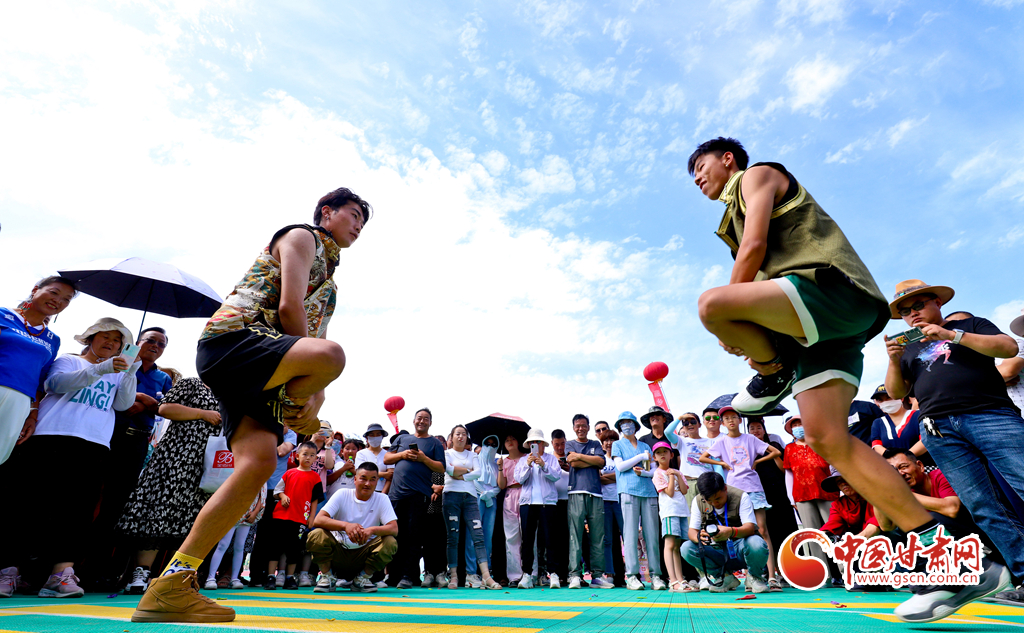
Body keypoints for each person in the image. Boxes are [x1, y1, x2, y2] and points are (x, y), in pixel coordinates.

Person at [688, 138, 1001, 622]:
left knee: (712, 304)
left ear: (727, 159)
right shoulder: (730, 214)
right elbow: (760, 274)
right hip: (821, 334)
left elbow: (754, 248)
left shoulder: (756, 175)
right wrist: (748, 332)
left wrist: (738, 319)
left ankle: (773, 372)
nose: (696, 177)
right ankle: (953, 564)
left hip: (832, 292)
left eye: (700, 165)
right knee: (827, 438)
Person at [132, 187, 371, 623]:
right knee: (333, 355)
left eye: (363, 221)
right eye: (353, 214)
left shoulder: (331, 285)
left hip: (266, 369)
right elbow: (290, 308)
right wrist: (303, 394)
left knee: (258, 464)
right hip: (235, 341)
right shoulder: (301, 236)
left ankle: (171, 584)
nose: (358, 225)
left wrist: (315, 399)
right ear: (327, 212)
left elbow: (313, 339)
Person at [884, 279, 1020, 612]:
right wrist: (892, 360)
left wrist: (950, 335)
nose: (913, 314)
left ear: (937, 303)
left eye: (918, 305)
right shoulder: (908, 348)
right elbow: (896, 392)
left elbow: (1008, 348)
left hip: (989, 414)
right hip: (938, 429)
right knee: (982, 506)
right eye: (905, 311)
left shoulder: (969, 325)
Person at [0, 318, 138, 599]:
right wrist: (100, 369)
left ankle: (60, 574)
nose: (111, 343)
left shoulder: (117, 372)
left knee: (78, 512)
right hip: (51, 437)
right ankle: (9, 571)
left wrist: (129, 374)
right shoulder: (69, 360)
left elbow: (123, 404)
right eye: (106, 336)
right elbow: (55, 383)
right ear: (90, 338)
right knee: (29, 505)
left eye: (117, 340)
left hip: (94, 444)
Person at [117, 378, 224, 595]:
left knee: (191, 521)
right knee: (158, 514)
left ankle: (178, 575)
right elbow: (165, 408)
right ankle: (141, 573)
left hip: (206, 467)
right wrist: (202, 413)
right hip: (174, 458)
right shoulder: (191, 384)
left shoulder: (231, 395)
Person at [87, 326, 174, 591]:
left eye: (161, 344)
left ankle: (103, 572)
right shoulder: (118, 363)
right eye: (151, 340)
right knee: (90, 498)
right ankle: (75, 567)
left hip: (137, 443)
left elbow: (167, 408)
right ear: (138, 342)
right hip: (107, 435)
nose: (156, 346)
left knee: (117, 506)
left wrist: (147, 403)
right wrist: (136, 395)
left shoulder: (163, 378)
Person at [700, 405, 781, 584]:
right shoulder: (721, 441)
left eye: (733, 417)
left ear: (739, 420)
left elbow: (776, 452)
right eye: (726, 418)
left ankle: (772, 576)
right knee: (740, 531)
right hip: (734, 491)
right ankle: (750, 575)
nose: (730, 420)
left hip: (754, 487)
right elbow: (703, 457)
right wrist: (722, 463)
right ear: (722, 423)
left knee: (762, 530)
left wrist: (757, 461)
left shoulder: (750, 438)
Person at [0, 275, 77, 465]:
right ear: (35, 290)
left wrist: (33, 414)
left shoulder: (53, 339)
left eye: (66, 299)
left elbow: (40, 380)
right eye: (54, 292)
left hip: (20, 401)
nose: (58, 300)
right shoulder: (3, 314)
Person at [308, 463, 398, 593]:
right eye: (363, 478)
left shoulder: (382, 498)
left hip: (363, 557)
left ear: (377, 481)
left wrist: (371, 530)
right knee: (317, 534)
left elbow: (394, 529)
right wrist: (346, 526)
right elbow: (318, 520)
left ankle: (363, 578)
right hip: (337, 555)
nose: (367, 483)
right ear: (355, 479)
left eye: (372, 479)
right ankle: (327, 577)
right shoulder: (342, 494)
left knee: (390, 541)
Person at [384, 407, 446, 589]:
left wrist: (424, 459)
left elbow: (441, 468)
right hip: (396, 495)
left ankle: (409, 576)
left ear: (430, 423)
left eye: (426, 418)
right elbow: (387, 458)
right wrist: (402, 454)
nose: (422, 421)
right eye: (419, 417)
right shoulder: (402, 439)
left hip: (419, 496)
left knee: (414, 537)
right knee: (396, 535)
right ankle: (393, 576)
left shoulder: (434, 443)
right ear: (413, 420)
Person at [682, 472, 769, 593]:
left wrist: (731, 531)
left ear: (725, 489)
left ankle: (754, 577)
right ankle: (724, 577)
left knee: (756, 542)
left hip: (741, 549)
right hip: (716, 550)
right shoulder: (698, 501)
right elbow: (692, 531)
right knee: (686, 548)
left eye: (718, 498)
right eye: (709, 501)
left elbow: (750, 528)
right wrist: (699, 537)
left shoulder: (741, 496)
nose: (715, 503)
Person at [778, 414, 837, 587]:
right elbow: (789, 474)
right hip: (802, 495)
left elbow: (833, 466)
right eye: (794, 425)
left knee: (835, 531)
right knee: (812, 535)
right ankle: (823, 576)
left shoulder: (821, 443)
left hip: (827, 493)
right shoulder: (789, 449)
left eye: (801, 423)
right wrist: (791, 498)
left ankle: (845, 571)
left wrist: (839, 489)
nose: (798, 427)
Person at [611, 411, 665, 591]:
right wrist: (639, 458)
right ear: (620, 427)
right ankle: (632, 575)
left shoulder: (645, 446)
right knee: (630, 534)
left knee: (652, 535)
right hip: (628, 490)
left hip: (648, 491)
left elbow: (654, 470)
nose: (626, 426)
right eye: (623, 423)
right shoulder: (617, 445)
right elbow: (620, 466)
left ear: (635, 425)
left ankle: (656, 575)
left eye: (629, 422)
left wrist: (645, 473)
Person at [442, 425, 501, 589]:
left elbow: (478, 473)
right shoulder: (446, 454)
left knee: (478, 535)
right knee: (453, 536)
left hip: (470, 497)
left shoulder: (472, 455)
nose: (460, 437)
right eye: (457, 434)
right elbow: (449, 469)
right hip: (451, 496)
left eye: (463, 434)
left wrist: (461, 474)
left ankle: (486, 576)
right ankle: (454, 576)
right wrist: (467, 471)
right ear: (452, 437)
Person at [264, 442, 324, 590]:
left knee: (294, 549)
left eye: (312, 455)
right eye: (305, 454)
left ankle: (289, 577)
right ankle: (271, 576)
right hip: (280, 516)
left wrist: (312, 517)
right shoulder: (289, 473)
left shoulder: (315, 477)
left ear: (316, 458)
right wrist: (283, 496)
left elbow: (315, 499)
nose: (308, 458)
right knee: (275, 547)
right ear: (297, 456)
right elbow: (277, 491)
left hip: (300, 519)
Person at [747, 416, 796, 591]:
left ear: (764, 429)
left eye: (758, 427)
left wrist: (772, 453)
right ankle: (773, 573)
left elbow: (784, 469)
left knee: (787, 532)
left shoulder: (773, 444)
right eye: (752, 428)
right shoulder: (747, 448)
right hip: (761, 497)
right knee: (769, 534)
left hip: (780, 495)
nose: (756, 431)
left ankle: (790, 571)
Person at [564, 414, 612, 589]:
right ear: (573, 427)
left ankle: (598, 576)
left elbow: (601, 462)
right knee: (575, 536)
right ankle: (574, 575)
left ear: (588, 427)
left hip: (596, 494)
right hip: (576, 492)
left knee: (598, 537)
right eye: (577, 426)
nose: (581, 429)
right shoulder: (570, 444)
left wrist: (580, 457)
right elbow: (573, 463)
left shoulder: (595, 444)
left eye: (584, 425)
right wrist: (590, 461)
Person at [514, 428, 560, 589]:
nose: (535, 444)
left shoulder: (551, 459)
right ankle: (527, 574)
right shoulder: (523, 460)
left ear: (543, 444)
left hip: (548, 503)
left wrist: (543, 465)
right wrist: (528, 465)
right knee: (527, 540)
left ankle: (553, 573)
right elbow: (519, 479)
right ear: (528, 444)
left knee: (550, 539)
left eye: (538, 441)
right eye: (532, 442)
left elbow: (556, 476)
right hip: (528, 503)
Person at [205, 485, 266, 590]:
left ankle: (234, 578)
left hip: (248, 514)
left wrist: (255, 512)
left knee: (240, 546)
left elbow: (262, 494)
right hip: (231, 512)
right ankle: (210, 578)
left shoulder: (261, 476)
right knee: (222, 545)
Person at [651, 442, 691, 592]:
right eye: (658, 452)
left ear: (671, 455)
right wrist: (672, 476)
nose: (662, 454)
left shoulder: (677, 472)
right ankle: (673, 581)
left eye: (665, 451)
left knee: (677, 546)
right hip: (669, 512)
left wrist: (677, 474)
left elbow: (684, 491)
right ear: (654, 457)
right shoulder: (657, 474)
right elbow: (670, 492)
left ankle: (681, 579)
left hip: (681, 511)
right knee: (669, 545)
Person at [868, 385, 927, 462]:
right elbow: (876, 445)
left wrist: (904, 458)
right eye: (880, 400)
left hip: (923, 465)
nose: (885, 402)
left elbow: (926, 440)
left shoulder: (919, 415)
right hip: (893, 467)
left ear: (901, 398)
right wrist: (894, 460)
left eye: (888, 397)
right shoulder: (878, 423)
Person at [471, 435, 501, 582]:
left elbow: (499, 485)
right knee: (474, 534)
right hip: (476, 497)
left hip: (491, 501)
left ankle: (486, 571)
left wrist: (490, 494)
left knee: (488, 535)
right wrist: (483, 493)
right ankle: (471, 571)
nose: (490, 447)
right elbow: (472, 478)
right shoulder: (475, 460)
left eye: (493, 444)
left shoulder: (496, 464)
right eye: (487, 443)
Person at [498, 434, 527, 586]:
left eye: (513, 439)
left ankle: (531, 573)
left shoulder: (526, 458)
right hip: (509, 495)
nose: (509, 442)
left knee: (528, 535)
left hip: (526, 494)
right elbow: (502, 485)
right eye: (506, 440)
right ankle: (515, 576)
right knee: (511, 537)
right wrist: (500, 468)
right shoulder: (504, 461)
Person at [598, 429, 625, 586]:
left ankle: (631, 573)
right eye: (605, 441)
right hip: (605, 501)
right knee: (607, 539)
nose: (609, 443)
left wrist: (606, 477)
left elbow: (623, 475)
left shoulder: (621, 458)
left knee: (627, 537)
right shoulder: (601, 460)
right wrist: (615, 477)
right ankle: (609, 573)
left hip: (620, 500)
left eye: (612, 440)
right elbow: (598, 478)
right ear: (602, 444)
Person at [547, 428, 570, 588]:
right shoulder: (549, 459)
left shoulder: (572, 457)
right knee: (555, 540)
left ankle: (571, 573)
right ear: (551, 444)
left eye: (562, 444)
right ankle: (557, 574)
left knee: (570, 539)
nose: (560, 447)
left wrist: (570, 468)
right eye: (557, 444)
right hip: (553, 502)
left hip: (570, 500)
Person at [355, 423, 392, 493]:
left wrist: (382, 494)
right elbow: (360, 473)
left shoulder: (388, 454)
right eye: (372, 435)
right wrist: (384, 474)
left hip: (383, 491)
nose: (375, 437)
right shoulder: (361, 454)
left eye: (378, 434)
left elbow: (390, 476)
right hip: (364, 491)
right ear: (367, 438)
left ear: (382, 436)